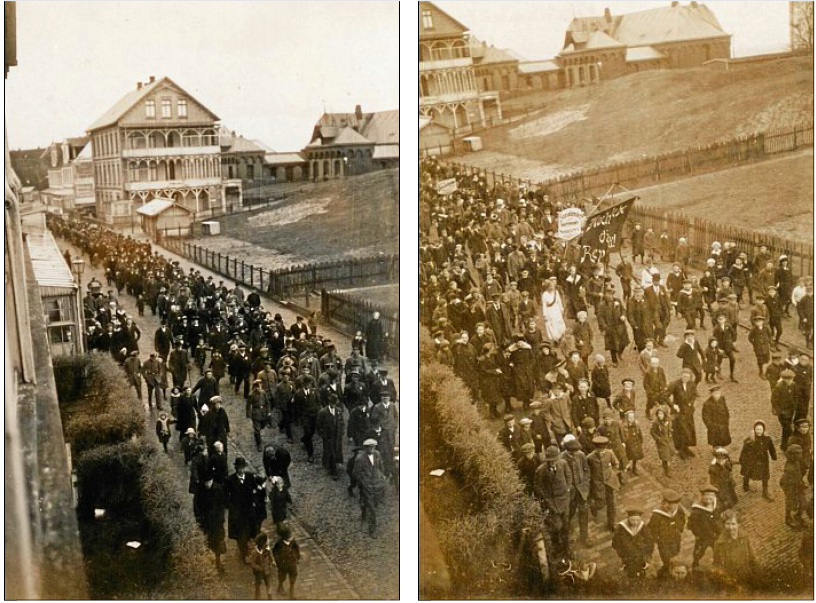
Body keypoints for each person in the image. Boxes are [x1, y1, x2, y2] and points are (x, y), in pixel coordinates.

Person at [534, 446, 572, 563]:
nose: (552, 462)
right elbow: (537, 486)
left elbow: (569, 476)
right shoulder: (541, 470)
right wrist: (545, 499)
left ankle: (567, 550)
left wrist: (568, 488)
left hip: (564, 500)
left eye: (554, 460)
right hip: (551, 503)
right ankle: (557, 548)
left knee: (565, 527)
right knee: (556, 527)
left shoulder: (563, 464)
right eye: (550, 460)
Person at [225, 457, 262, 563]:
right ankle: (244, 554)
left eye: (242, 468)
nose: (241, 470)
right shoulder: (229, 480)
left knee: (252, 532)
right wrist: (231, 507)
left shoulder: (250, 477)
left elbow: (255, 490)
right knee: (241, 534)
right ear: (236, 468)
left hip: (249, 511)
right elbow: (225, 496)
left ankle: (252, 549)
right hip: (238, 513)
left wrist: (255, 501)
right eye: (238, 468)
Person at [712, 509, 758, 589]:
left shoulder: (744, 537)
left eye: (733, 524)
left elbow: (752, 557)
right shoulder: (719, 544)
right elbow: (717, 564)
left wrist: (757, 574)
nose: (730, 527)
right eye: (727, 524)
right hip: (732, 581)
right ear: (723, 524)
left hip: (746, 575)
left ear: (738, 524)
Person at [354, 438, 389, 538]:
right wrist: (363, 483)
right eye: (369, 447)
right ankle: (372, 529)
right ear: (365, 448)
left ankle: (364, 509)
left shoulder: (377, 454)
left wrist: (382, 476)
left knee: (374, 504)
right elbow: (356, 474)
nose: (372, 449)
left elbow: (381, 466)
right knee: (372, 509)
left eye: (373, 446)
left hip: (377, 485)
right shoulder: (359, 458)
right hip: (367, 486)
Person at [648, 489, 686, 577]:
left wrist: (679, 530)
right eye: (667, 504)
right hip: (664, 544)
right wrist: (656, 540)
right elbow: (652, 530)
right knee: (666, 559)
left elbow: (682, 520)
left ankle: (673, 569)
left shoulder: (679, 510)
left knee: (676, 554)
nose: (673, 507)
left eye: (675, 504)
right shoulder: (657, 516)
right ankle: (668, 570)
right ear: (666, 504)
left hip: (676, 540)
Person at [560, 438, 591, 547]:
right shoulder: (561, 459)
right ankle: (566, 535)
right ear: (569, 451)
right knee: (569, 514)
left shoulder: (581, 455)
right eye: (575, 452)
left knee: (584, 513)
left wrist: (585, 482)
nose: (577, 453)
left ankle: (584, 537)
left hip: (581, 490)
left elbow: (586, 469)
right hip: (569, 492)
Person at [586, 435, 620, 532]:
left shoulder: (610, 453)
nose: (602, 452)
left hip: (610, 483)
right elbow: (587, 471)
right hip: (598, 484)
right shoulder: (590, 457)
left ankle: (611, 523)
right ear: (596, 448)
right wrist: (592, 481)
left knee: (611, 504)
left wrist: (613, 473)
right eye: (599, 451)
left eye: (603, 450)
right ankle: (593, 506)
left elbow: (616, 464)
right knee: (600, 502)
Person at [738, 420, 777, 501]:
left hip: (763, 461)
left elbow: (771, 448)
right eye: (757, 429)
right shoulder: (749, 440)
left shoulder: (767, 439)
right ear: (754, 430)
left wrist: (774, 456)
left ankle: (765, 492)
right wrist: (742, 460)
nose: (759, 431)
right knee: (748, 472)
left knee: (765, 476)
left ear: (763, 430)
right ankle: (745, 485)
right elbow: (744, 451)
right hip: (751, 460)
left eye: (760, 429)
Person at [611, 508, 653, 582]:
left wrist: (648, 558)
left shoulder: (642, 527)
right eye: (632, 520)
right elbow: (616, 543)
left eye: (637, 520)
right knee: (630, 570)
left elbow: (649, 541)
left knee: (642, 570)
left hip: (640, 555)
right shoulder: (621, 528)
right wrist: (622, 555)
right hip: (628, 555)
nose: (635, 522)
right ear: (628, 518)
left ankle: (641, 579)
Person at [688, 485, 722, 570]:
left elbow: (717, 518)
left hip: (715, 535)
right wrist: (697, 535)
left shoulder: (715, 506)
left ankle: (717, 562)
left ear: (714, 497)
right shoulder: (696, 511)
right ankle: (695, 563)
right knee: (699, 551)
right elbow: (691, 525)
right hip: (703, 537)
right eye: (706, 495)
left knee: (717, 549)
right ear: (702, 496)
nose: (709, 498)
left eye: (711, 496)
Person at [198, 476, 227, 573]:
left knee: (218, 540)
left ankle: (218, 562)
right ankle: (212, 560)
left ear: (212, 480)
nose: (207, 484)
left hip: (217, 520)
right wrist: (200, 519)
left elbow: (222, 504)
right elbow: (197, 506)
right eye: (206, 482)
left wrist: (221, 518)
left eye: (209, 482)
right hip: (206, 522)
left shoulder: (218, 488)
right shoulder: (201, 490)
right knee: (209, 541)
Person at [667, 369, 698, 459]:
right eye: (684, 376)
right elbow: (664, 396)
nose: (685, 378)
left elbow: (695, 394)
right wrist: (673, 405)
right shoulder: (674, 384)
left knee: (689, 430)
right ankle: (681, 450)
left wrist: (691, 403)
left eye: (687, 377)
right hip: (678, 412)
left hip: (688, 412)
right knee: (680, 431)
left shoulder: (692, 384)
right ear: (681, 375)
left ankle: (686, 448)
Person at [316, 394, 346, 479]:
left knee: (336, 450)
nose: (333, 405)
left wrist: (342, 432)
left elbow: (342, 422)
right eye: (332, 404)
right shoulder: (323, 412)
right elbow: (318, 425)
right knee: (329, 450)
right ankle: (334, 471)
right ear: (329, 403)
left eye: (335, 404)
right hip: (328, 437)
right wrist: (323, 435)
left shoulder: (338, 411)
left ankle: (329, 463)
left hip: (337, 436)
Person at [779, 444, 806, 530]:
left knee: (802, 502)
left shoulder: (796, 462)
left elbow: (798, 474)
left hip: (797, 485)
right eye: (799, 454)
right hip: (790, 487)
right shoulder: (790, 468)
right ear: (793, 455)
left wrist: (801, 483)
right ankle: (788, 519)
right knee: (790, 504)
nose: (801, 455)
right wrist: (790, 493)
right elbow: (785, 482)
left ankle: (797, 515)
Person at [771, 369, 798, 451]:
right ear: (783, 378)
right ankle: (789, 446)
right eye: (786, 379)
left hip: (791, 411)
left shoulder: (794, 385)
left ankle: (784, 445)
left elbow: (796, 396)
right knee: (788, 429)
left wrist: (795, 406)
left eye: (790, 378)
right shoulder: (778, 386)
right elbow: (774, 400)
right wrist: (779, 411)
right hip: (782, 413)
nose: (789, 380)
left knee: (786, 429)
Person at [272, 524, 300, 599]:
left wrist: (297, 557)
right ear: (284, 537)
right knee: (282, 577)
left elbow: (296, 549)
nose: (292, 536)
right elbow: (275, 552)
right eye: (290, 535)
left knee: (293, 575)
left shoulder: (293, 541)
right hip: (283, 565)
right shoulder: (279, 544)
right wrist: (278, 562)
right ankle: (280, 587)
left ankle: (292, 589)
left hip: (292, 563)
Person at [701, 385, 731, 453]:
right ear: (711, 394)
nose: (717, 395)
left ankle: (722, 449)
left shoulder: (722, 399)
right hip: (714, 427)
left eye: (718, 393)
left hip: (723, 425)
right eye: (715, 393)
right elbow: (705, 417)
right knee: (716, 442)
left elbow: (726, 409)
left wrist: (727, 419)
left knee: (723, 439)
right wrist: (710, 426)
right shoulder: (707, 404)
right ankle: (717, 453)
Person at [246, 380, 271, 452]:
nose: (260, 388)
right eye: (258, 387)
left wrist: (269, 411)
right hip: (256, 413)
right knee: (257, 430)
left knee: (262, 425)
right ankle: (259, 444)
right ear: (255, 387)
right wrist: (249, 415)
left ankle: (257, 433)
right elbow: (248, 406)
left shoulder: (263, 393)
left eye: (261, 386)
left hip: (264, 412)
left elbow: (267, 402)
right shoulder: (251, 394)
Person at [248, 532, 274, 600]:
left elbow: (270, 555)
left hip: (267, 571)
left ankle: (270, 598)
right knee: (258, 585)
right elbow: (252, 563)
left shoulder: (267, 549)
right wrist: (258, 568)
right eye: (265, 542)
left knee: (268, 584)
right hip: (259, 573)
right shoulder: (255, 552)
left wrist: (272, 561)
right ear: (261, 544)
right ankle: (257, 597)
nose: (267, 544)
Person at [541, 279, 567, 343]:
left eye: (553, 286)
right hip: (549, 311)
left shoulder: (556, 292)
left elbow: (559, 301)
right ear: (547, 287)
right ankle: (556, 339)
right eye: (551, 286)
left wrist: (561, 309)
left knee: (559, 323)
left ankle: (561, 336)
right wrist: (545, 315)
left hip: (557, 310)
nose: (553, 287)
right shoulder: (545, 294)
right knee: (553, 324)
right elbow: (544, 305)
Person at [621, 410, 644, 476]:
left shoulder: (636, 425)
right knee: (629, 456)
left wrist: (641, 440)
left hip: (636, 442)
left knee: (635, 456)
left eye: (633, 418)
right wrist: (624, 442)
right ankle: (627, 466)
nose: (632, 419)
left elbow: (640, 433)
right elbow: (623, 435)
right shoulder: (624, 426)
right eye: (630, 418)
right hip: (629, 444)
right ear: (627, 418)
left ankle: (634, 467)